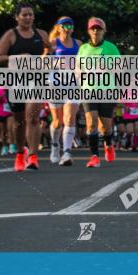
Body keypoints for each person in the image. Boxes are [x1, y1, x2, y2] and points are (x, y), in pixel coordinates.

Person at [0, 2, 50, 171]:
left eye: (30, 14)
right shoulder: (11, 35)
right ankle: (20, 153)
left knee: (32, 118)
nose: (28, 18)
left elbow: (49, 54)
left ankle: (33, 156)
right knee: (19, 121)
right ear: (17, 17)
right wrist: (18, 58)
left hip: (37, 80)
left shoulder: (41, 34)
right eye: (24, 15)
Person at [77, 17, 121, 168]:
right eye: (93, 28)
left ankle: (108, 144)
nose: (96, 31)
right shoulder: (83, 49)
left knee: (105, 126)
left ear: (104, 31)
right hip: (88, 90)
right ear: (89, 31)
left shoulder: (111, 48)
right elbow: (78, 69)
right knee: (91, 123)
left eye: (99, 28)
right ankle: (94, 156)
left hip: (107, 90)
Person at [46, 17, 81, 165]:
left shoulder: (78, 44)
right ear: (58, 27)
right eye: (64, 25)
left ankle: (66, 153)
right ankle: (55, 146)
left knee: (70, 118)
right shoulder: (53, 43)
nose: (68, 27)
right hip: (55, 84)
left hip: (73, 84)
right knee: (57, 122)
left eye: (70, 25)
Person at [0, 87, 13, 156]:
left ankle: (12, 145)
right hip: (0, 112)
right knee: (3, 130)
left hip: (11, 113)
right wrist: (1, 97)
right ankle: (4, 147)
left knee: (10, 128)